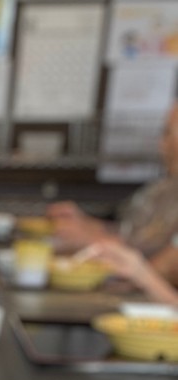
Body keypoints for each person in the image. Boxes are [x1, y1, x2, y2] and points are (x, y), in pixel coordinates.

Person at [47, 103, 178, 294]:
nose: (161, 145)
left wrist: (95, 240)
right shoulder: (164, 189)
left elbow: (167, 266)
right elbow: (134, 233)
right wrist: (87, 225)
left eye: (168, 134)